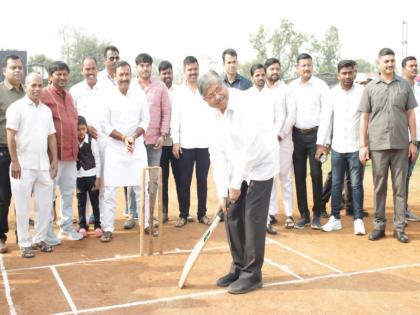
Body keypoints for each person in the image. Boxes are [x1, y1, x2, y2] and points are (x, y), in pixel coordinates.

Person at [199, 70, 275, 294]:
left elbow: (251, 148)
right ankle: (239, 265)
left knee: (252, 218)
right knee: (232, 215)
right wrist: (224, 191)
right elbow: (217, 155)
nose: (218, 97)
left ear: (224, 84)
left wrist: (236, 185)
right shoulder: (212, 116)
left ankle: (252, 274)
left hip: (260, 165)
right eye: (212, 95)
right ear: (205, 99)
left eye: (219, 90)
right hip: (235, 168)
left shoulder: (245, 104)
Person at [359, 48, 417, 243]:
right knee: (379, 188)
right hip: (378, 146)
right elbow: (364, 117)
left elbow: (410, 114)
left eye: (392, 61)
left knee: (400, 189)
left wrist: (413, 142)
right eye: (386, 62)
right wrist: (363, 145)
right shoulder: (370, 87)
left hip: (401, 144)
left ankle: (399, 228)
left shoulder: (404, 86)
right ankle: (379, 226)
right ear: (379, 64)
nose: (390, 64)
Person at [6, 73, 57, 258]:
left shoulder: (46, 111)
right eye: (33, 85)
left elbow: (51, 136)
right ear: (26, 86)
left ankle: (39, 238)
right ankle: (25, 243)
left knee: (44, 205)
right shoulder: (16, 108)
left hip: (43, 165)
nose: (36, 89)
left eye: (40, 85)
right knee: (22, 206)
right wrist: (15, 161)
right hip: (23, 166)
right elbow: (11, 135)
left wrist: (54, 160)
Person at [100, 61, 150, 242]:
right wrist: (124, 138)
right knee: (110, 190)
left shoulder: (139, 94)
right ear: (115, 76)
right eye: (120, 75)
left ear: (131, 75)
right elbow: (105, 125)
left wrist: (133, 138)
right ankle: (108, 228)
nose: (124, 78)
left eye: (127, 74)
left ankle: (145, 224)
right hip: (115, 150)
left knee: (142, 188)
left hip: (136, 149)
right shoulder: (107, 96)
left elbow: (145, 121)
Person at [124, 53, 171, 230]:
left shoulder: (160, 87)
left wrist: (163, 134)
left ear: (151, 67)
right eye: (141, 65)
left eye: (147, 65)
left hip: (154, 142)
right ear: (136, 68)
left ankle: (149, 216)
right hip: (135, 141)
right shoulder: (130, 87)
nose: (145, 68)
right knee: (133, 177)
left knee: (153, 179)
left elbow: (166, 112)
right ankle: (132, 215)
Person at [321, 60, 366, 235]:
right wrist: (323, 144)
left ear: (354, 73)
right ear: (338, 75)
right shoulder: (332, 94)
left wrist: (365, 145)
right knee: (336, 183)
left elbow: (366, 118)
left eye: (350, 73)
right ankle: (335, 219)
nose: (347, 76)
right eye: (344, 73)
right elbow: (326, 120)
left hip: (356, 146)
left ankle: (358, 220)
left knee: (356, 185)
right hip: (338, 147)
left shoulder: (363, 92)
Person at [288, 53, 332, 229]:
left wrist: (323, 142)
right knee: (299, 175)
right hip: (296, 137)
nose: (306, 68)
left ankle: (316, 214)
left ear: (313, 66)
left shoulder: (321, 86)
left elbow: (327, 114)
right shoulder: (291, 87)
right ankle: (304, 214)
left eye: (309, 65)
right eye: (303, 65)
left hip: (316, 137)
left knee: (316, 174)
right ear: (297, 68)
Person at [41, 61, 83, 242]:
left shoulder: (69, 96)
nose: (62, 77)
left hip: (71, 154)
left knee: (67, 192)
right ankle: (47, 230)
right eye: (58, 74)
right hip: (53, 156)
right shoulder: (43, 94)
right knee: (48, 194)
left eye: (65, 74)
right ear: (50, 76)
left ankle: (65, 228)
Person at [171, 56, 211, 227]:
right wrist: (176, 141)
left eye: (195, 69)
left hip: (204, 144)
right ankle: (183, 214)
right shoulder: (178, 93)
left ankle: (202, 214)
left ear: (198, 69)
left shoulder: (206, 90)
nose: (193, 72)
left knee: (202, 181)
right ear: (184, 71)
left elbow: (213, 117)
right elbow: (175, 119)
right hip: (185, 145)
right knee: (184, 182)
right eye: (190, 70)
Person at [70, 57, 108, 226]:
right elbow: (72, 117)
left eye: (93, 68)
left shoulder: (107, 89)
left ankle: (98, 217)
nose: (90, 72)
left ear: (97, 69)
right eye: (87, 69)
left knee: (100, 181)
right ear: (82, 70)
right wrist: (86, 127)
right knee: (83, 183)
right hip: (82, 145)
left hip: (103, 143)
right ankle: (83, 218)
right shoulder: (75, 90)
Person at [247, 63, 284, 235]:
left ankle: (268, 219)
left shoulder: (273, 96)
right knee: (251, 182)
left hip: (270, 146)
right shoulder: (246, 96)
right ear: (252, 77)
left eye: (263, 75)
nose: (261, 78)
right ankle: (252, 220)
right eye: (257, 75)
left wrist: (273, 136)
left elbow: (280, 117)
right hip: (252, 147)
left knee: (270, 181)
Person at [264, 58, 296, 229]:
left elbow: (291, 115)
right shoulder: (261, 91)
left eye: (277, 68)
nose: (275, 72)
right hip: (266, 144)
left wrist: (281, 134)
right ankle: (272, 213)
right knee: (270, 176)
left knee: (285, 176)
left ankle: (290, 214)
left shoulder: (286, 89)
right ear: (266, 70)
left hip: (284, 141)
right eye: (272, 69)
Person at [0, 55, 25, 253]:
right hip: (3, 152)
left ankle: (22, 235)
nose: (17, 70)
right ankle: (1, 236)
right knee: (3, 196)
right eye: (13, 67)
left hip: (25, 152)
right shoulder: (0, 92)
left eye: (20, 67)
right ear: (4, 71)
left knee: (22, 196)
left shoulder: (27, 92)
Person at [76, 115, 102, 238]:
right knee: (81, 202)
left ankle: (97, 225)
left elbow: (97, 159)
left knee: (94, 201)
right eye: (78, 129)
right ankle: (82, 225)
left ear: (86, 129)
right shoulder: (73, 142)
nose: (81, 132)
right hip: (79, 176)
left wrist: (98, 178)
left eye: (83, 129)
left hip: (91, 175)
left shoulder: (92, 141)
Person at [401, 56, 420, 222]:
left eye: (416, 65)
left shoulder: (419, 88)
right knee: (403, 176)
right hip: (406, 141)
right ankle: (402, 211)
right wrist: (410, 141)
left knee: (408, 175)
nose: (414, 68)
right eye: (411, 66)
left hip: (417, 139)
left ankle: (403, 209)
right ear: (403, 69)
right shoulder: (400, 88)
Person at [158, 60, 177, 223]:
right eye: (164, 73)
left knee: (181, 178)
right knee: (162, 178)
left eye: (169, 73)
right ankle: (163, 211)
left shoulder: (179, 91)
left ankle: (184, 211)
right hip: (162, 143)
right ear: (159, 75)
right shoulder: (157, 91)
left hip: (177, 142)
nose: (167, 76)